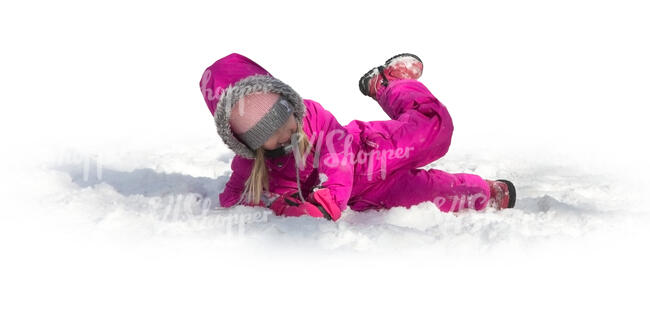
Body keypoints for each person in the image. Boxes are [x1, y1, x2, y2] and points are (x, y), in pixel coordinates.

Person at [199, 53, 516, 221]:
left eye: (283, 116)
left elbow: (337, 161)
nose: (284, 132)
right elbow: (233, 200)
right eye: (266, 133)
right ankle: (484, 194)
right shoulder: (250, 164)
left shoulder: (313, 117)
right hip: (368, 196)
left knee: (436, 130)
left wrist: (326, 203)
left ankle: (386, 83)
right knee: (428, 193)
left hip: (371, 152)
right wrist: (277, 205)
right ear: (249, 144)